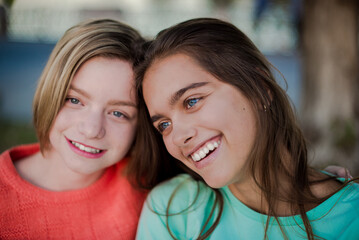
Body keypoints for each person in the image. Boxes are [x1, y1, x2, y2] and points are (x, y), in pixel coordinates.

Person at [131, 18, 359, 239]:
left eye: (192, 101)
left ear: (258, 88)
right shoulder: (173, 212)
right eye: (164, 125)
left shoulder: (352, 216)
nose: (179, 137)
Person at [0, 19, 147, 239]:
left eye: (118, 113)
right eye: (74, 100)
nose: (91, 129)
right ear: (51, 91)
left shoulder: (149, 192)